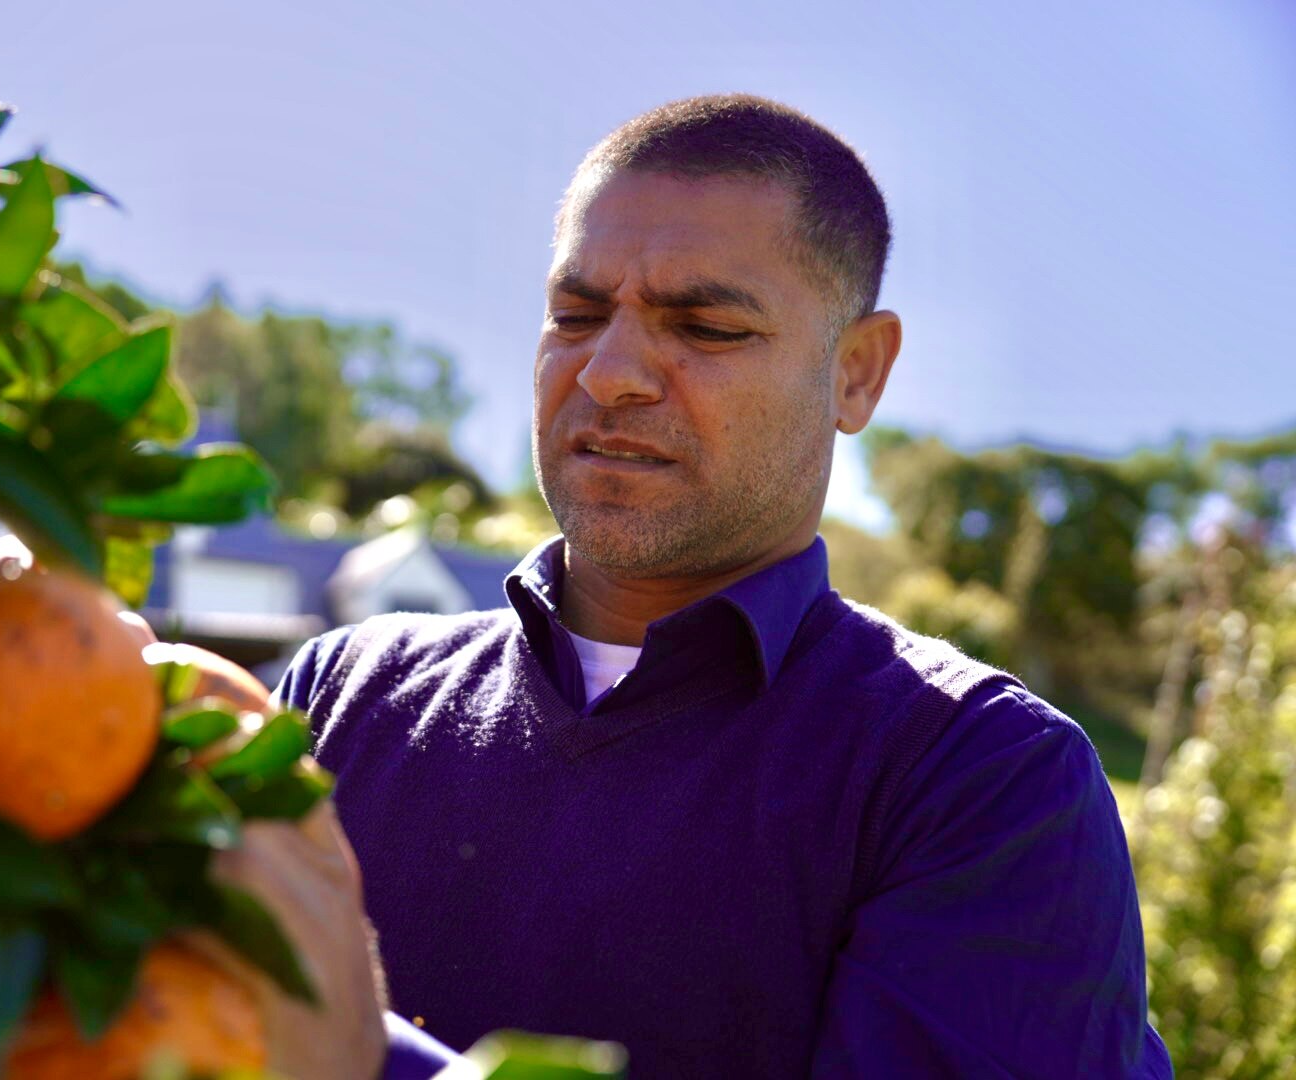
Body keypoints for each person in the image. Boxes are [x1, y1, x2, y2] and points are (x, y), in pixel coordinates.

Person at [274, 94, 1174, 1077]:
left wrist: (346, 1045)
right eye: (574, 314)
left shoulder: (980, 779)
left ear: (857, 374)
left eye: (702, 327)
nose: (608, 371)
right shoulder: (335, 698)